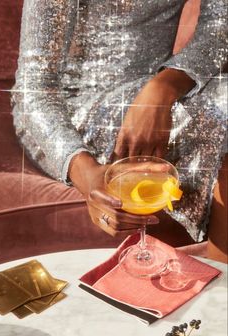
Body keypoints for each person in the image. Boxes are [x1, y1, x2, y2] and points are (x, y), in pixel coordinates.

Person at [12, 1, 227, 262]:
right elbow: (34, 91)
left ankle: (218, 287)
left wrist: (163, 88)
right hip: (65, 113)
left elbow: (219, 27)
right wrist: (86, 174)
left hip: (151, 99)